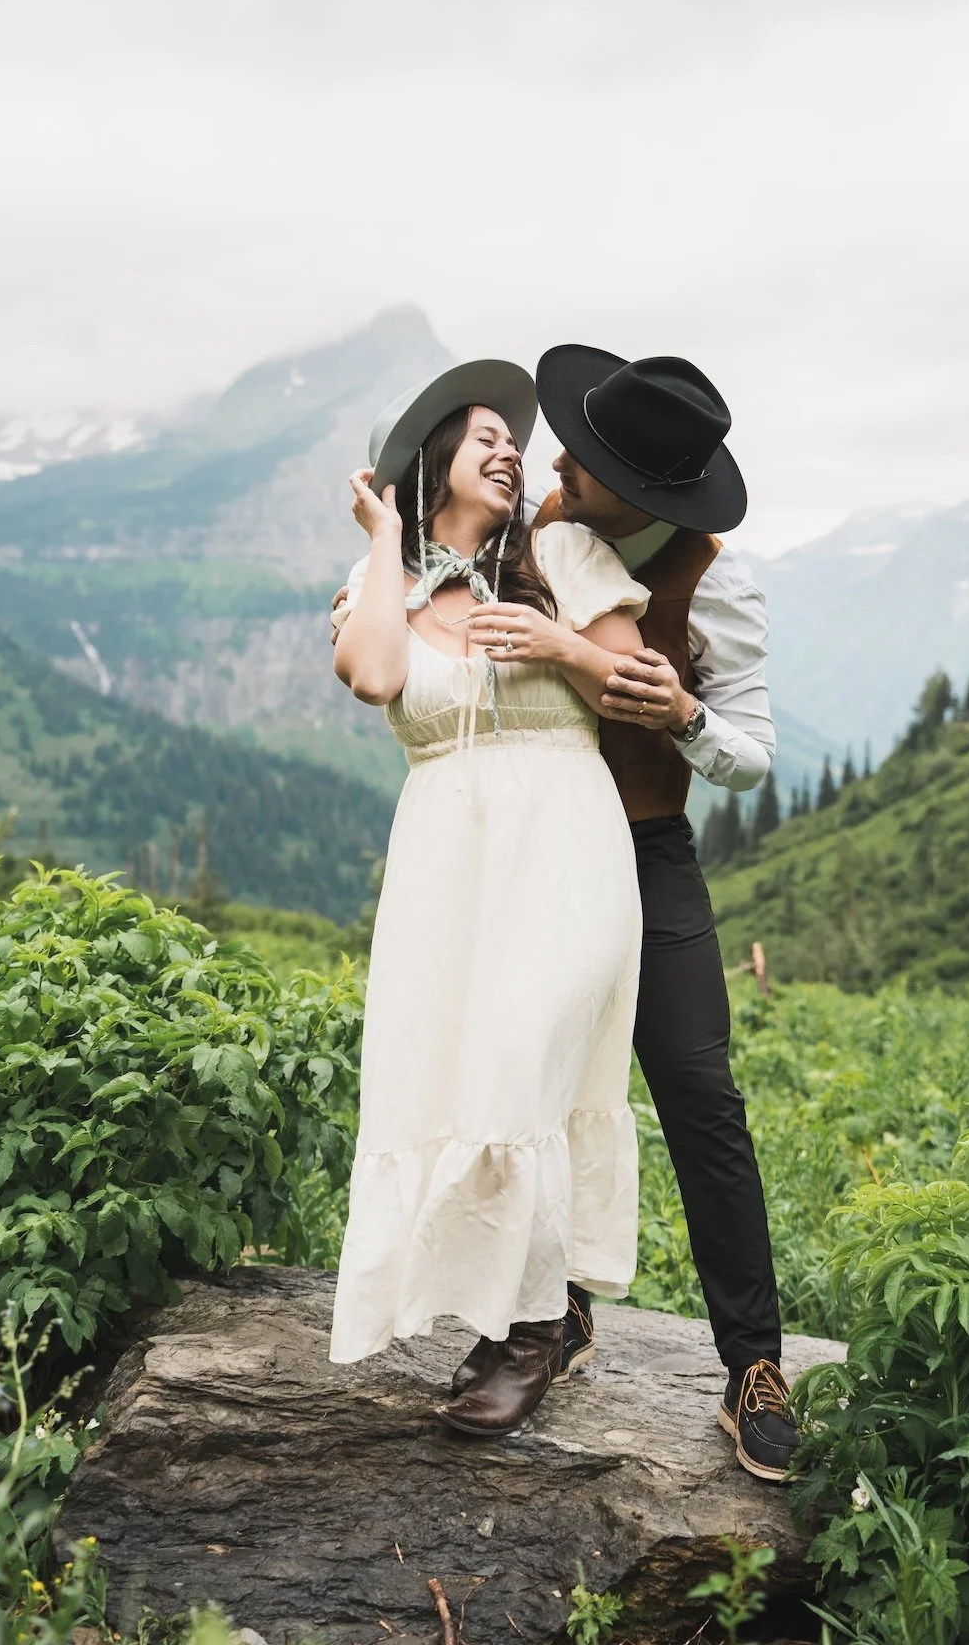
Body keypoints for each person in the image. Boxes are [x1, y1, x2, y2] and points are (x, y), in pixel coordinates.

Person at [328, 359, 650, 1439]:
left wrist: (555, 641)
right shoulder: (383, 589)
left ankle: (534, 1331)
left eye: (513, 439)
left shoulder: (563, 556)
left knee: (524, 1060)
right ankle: (520, 1306)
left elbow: (638, 687)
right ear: (430, 470)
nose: (511, 448)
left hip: (567, 842)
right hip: (447, 864)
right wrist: (384, 541)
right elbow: (374, 677)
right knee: (457, 1073)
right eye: (482, 438)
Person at [521, 344, 798, 1483]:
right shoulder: (526, 533)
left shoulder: (713, 581)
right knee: (536, 1080)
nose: (555, 461)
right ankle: (550, 1313)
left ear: (643, 495)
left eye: (581, 460)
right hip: (535, 853)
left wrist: (683, 714)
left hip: (644, 850)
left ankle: (753, 1368)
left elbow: (753, 758)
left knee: (699, 1094)